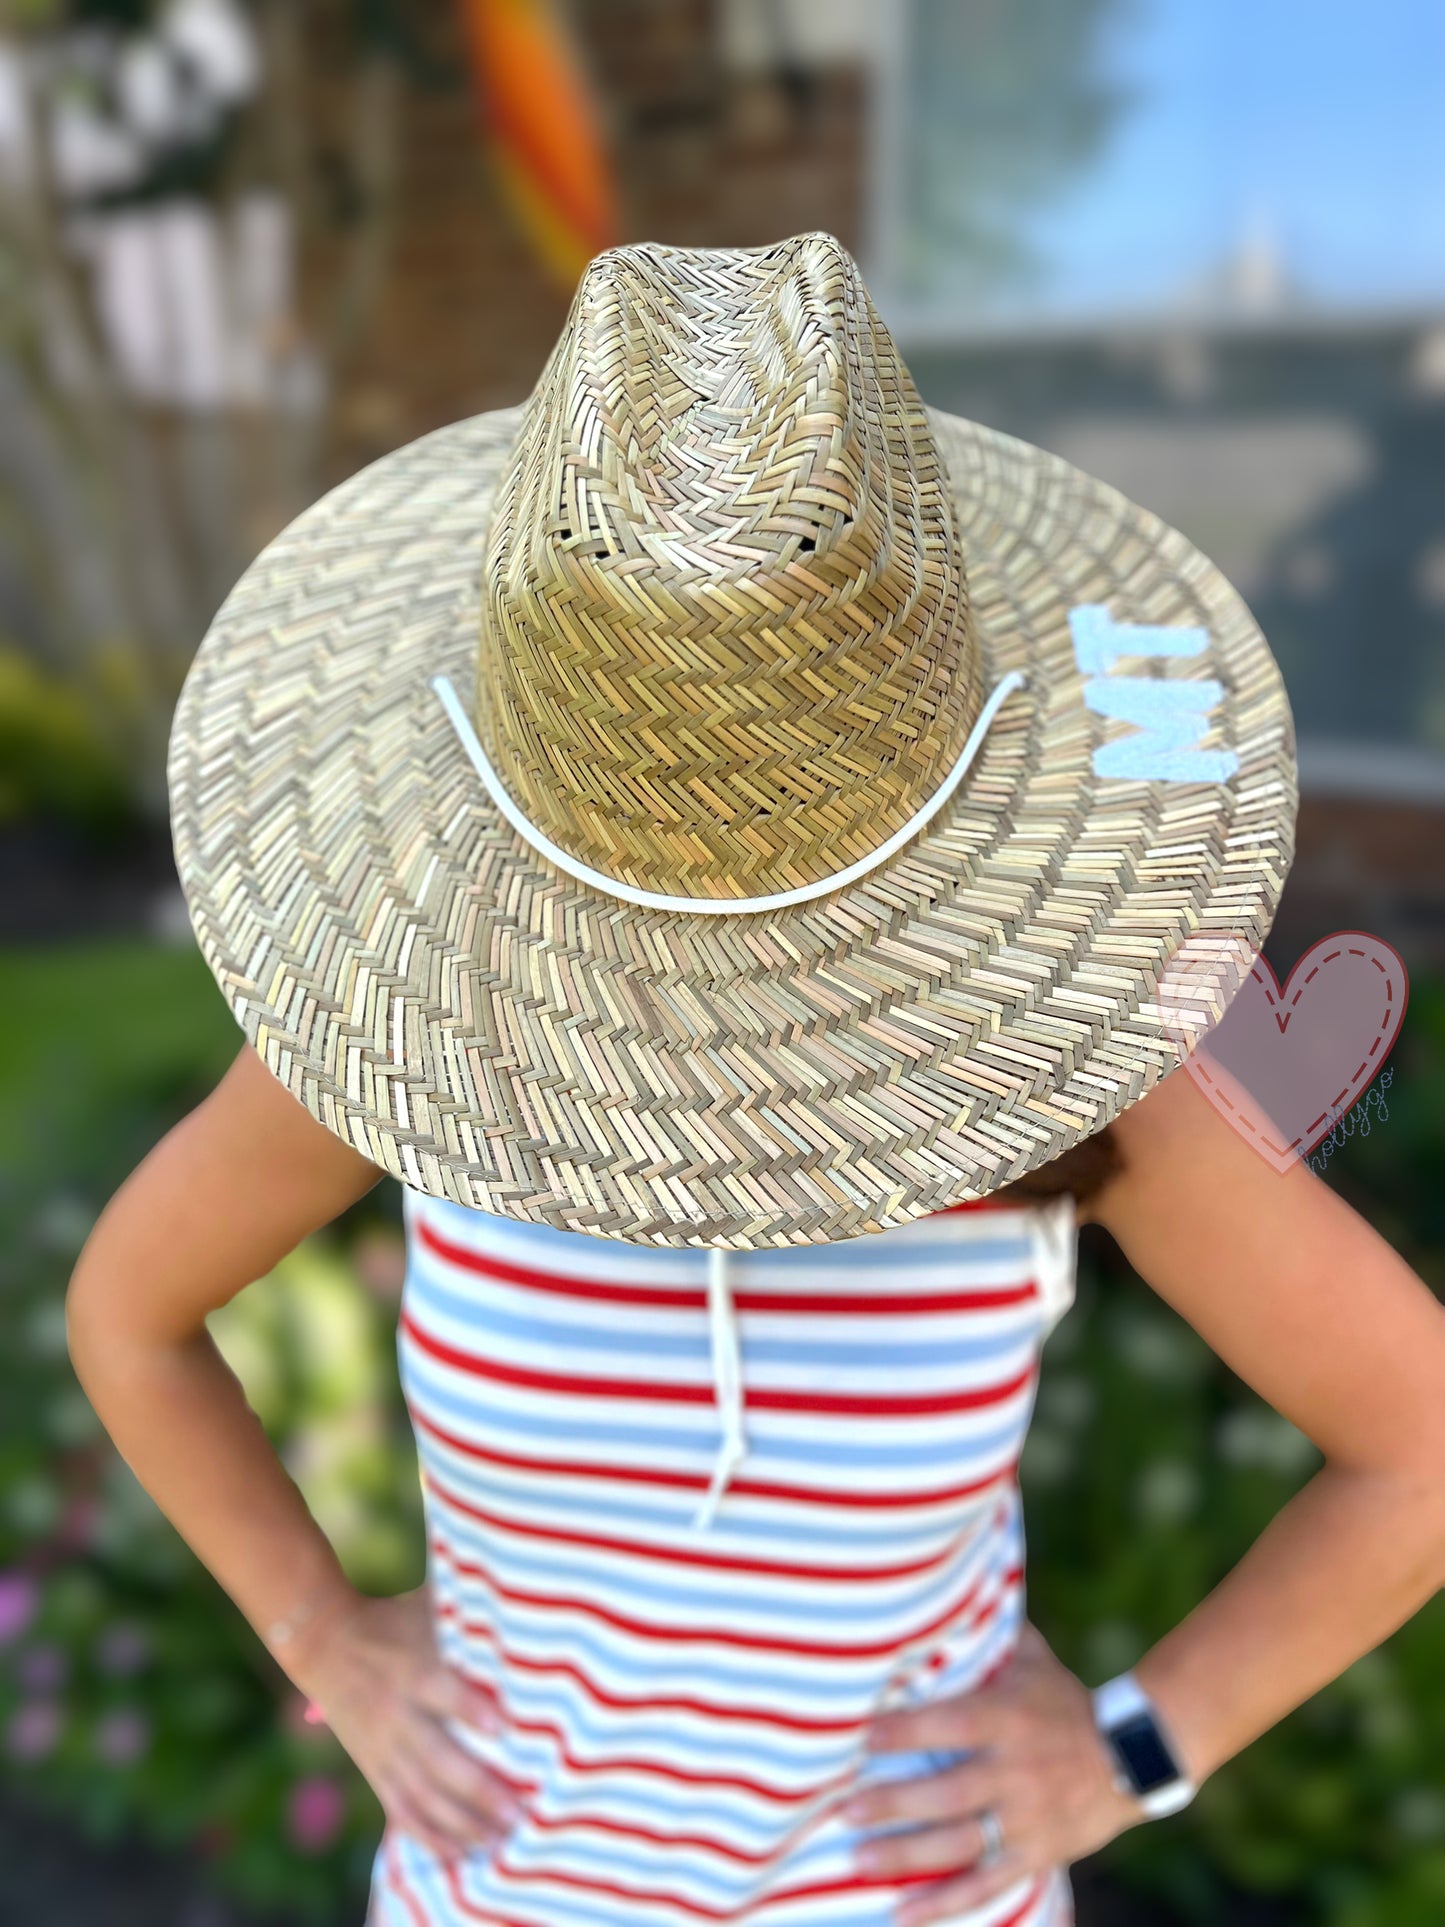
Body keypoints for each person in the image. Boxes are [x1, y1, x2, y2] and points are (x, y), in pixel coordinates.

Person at [66, 234, 1445, 1927]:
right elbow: (128, 1313)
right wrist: (318, 1636)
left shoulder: (1069, 1070)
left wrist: (1132, 1750)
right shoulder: (422, 1030)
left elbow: (1423, 1444)